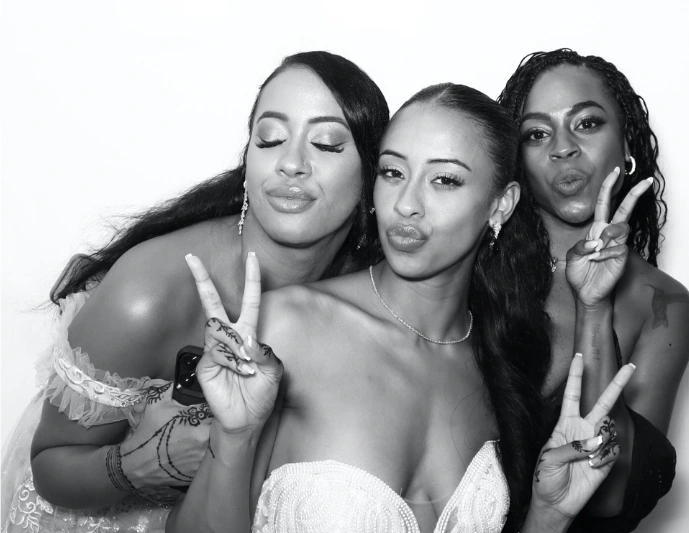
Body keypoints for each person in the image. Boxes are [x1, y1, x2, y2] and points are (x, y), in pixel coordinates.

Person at [169, 83, 638, 533]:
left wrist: (548, 517)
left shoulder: (501, 362)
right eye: (393, 173)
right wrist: (234, 437)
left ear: (501, 205)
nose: (406, 204)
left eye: (445, 180)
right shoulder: (287, 328)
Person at [1, 51, 389, 533]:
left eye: (328, 143)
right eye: (270, 139)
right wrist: (141, 463)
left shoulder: (373, 288)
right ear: (248, 159)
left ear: (373, 173)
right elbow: (51, 468)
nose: (291, 163)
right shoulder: (149, 293)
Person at [498, 49, 689, 531]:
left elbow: (610, 496)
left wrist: (594, 307)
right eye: (537, 133)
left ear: (626, 143)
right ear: (516, 160)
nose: (562, 147)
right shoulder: (474, 267)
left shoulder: (662, 305)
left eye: (586, 123)